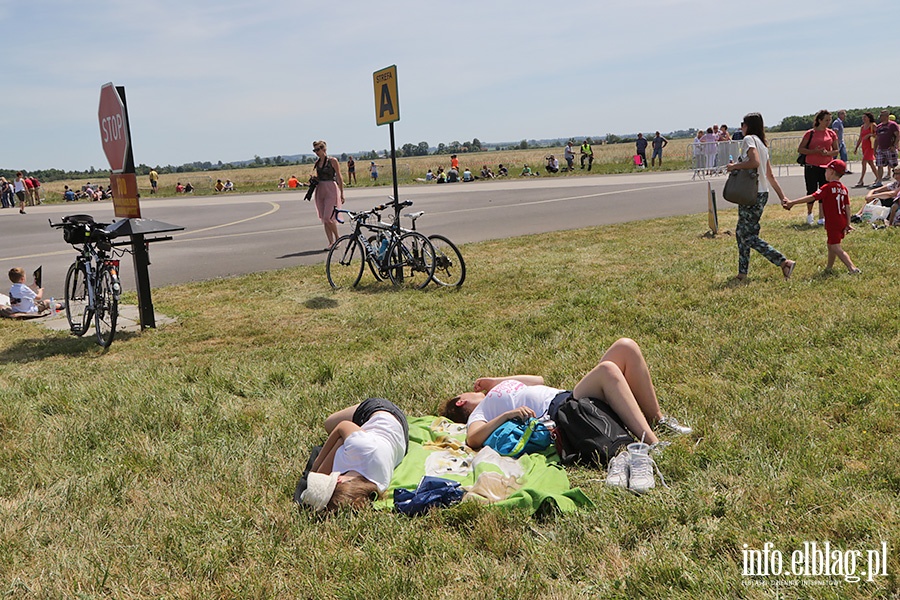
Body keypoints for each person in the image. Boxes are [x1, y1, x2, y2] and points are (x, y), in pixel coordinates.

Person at [438, 338, 692, 492]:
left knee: (626, 347)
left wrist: (496, 380)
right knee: (607, 370)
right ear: (461, 401)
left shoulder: (496, 390)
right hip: (564, 409)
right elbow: (473, 439)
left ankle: (657, 419)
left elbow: (538, 379)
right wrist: (508, 415)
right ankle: (652, 442)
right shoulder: (481, 411)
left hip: (567, 394)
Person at [299, 398, 409, 512]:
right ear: (339, 480)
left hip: (401, 440)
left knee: (342, 440)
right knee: (329, 424)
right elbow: (342, 426)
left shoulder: (378, 485)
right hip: (384, 413)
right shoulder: (361, 447)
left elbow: (340, 441)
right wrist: (316, 466)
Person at [725, 113, 796, 281]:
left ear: (748, 125)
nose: (741, 127)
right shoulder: (763, 145)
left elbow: (754, 162)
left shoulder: (749, 139)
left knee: (747, 235)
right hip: (762, 193)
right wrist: (782, 196)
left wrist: (734, 166)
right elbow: (770, 175)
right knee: (741, 232)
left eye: (742, 124)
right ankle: (742, 273)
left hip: (751, 194)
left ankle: (783, 261)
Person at [782, 159, 859, 274]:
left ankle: (852, 268)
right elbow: (847, 207)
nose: (825, 172)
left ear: (832, 172)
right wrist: (848, 223)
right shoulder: (843, 189)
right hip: (841, 220)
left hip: (833, 221)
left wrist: (792, 202)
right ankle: (829, 268)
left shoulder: (827, 187)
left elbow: (811, 197)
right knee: (831, 245)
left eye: (826, 170)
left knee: (835, 247)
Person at [797, 109, 838, 226]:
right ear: (819, 120)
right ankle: (810, 213)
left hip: (826, 166)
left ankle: (822, 216)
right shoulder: (810, 133)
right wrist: (814, 151)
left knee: (824, 191)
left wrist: (828, 154)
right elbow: (800, 149)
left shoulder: (831, 133)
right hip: (811, 166)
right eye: (826, 120)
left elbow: (836, 150)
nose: (828, 122)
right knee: (811, 190)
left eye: (830, 120)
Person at [311, 140, 346, 249]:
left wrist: (342, 193)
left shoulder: (332, 161)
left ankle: (337, 238)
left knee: (328, 217)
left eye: (318, 149)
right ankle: (331, 242)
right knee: (324, 218)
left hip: (331, 188)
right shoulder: (317, 163)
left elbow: (339, 177)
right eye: (314, 150)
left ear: (324, 149)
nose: (316, 152)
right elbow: (319, 176)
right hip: (320, 189)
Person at [872, 110, 900, 188]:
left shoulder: (892, 125)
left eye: (882, 116)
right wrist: (874, 150)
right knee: (879, 165)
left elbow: (898, 135)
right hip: (881, 149)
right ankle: (879, 181)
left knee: (894, 165)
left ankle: (897, 181)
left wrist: (894, 146)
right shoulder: (879, 127)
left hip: (890, 148)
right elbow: (877, 139)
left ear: (886, 116)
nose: (880, 117)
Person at [853, 112, 878, 188]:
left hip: (871, 146)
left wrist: (870, 134)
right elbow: (860, 137)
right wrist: (856, 147)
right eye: (863, 117)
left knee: (864, 162)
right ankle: (878, 177)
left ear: (869, 118)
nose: (863, 119)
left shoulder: (872, 125)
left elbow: (878, 134)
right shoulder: (862, 126)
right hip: (864, 146)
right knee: (871, 163)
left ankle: (861, 180)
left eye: (865, 117)